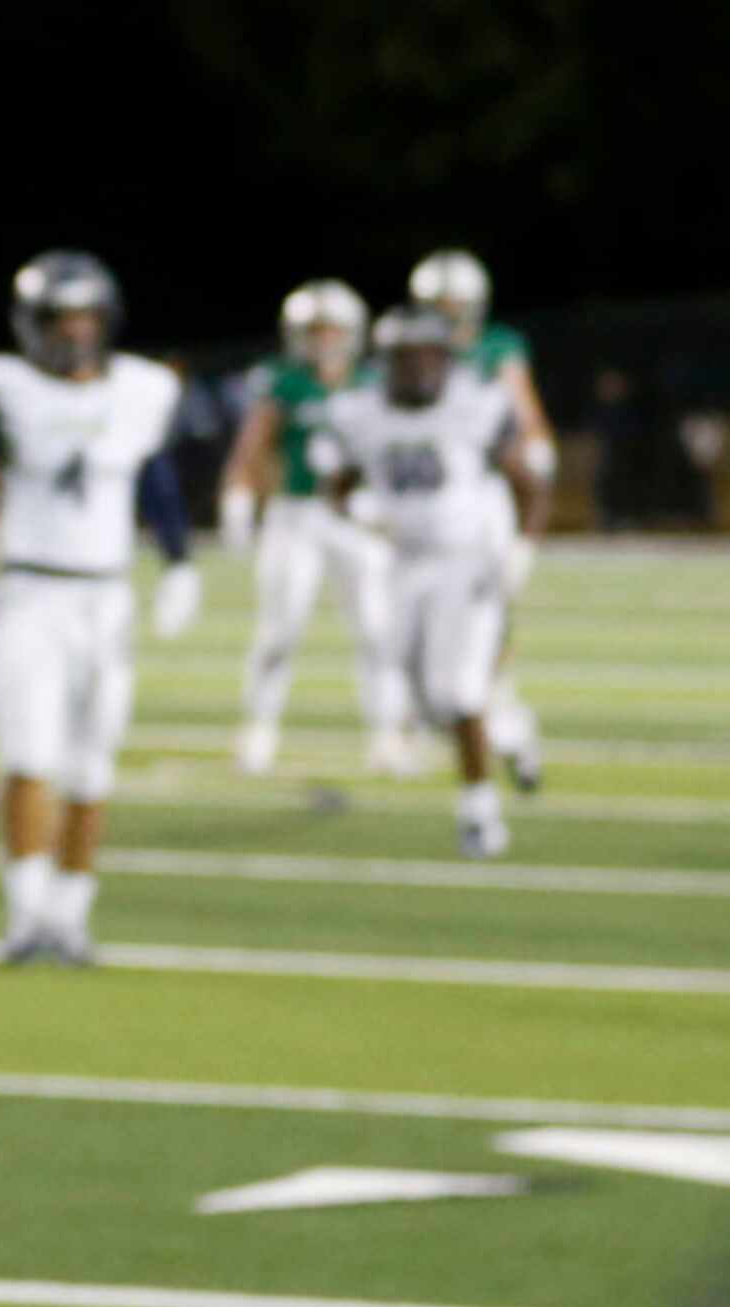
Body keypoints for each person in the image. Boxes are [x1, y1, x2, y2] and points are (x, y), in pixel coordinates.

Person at [0, 250, 198, 965]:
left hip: (105, 595)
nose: (73, 334)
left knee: (92, 762)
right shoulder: (0, 387)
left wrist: (179, 559)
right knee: (26, 753)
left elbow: (154, 478)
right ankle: (24, 914)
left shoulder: (138, 389)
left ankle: (69, 916)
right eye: (59, 320)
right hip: (29, 589)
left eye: (85, 319)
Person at [309, 307, 546, 859]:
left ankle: (479, 814)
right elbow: (336, 485)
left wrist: (521, 550)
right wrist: (363, 513)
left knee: (457, 691)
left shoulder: (475, 404)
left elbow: (531, 485)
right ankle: (511, 731)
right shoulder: (359, 412)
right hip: (403, 564)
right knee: (421, 698)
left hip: (466, 562)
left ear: (445, 358)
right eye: (402, 356)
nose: (415, 367)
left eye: (426, 354)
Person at [219, 280, 405, 775]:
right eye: (313, 330)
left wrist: (388, 506)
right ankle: (258, 730)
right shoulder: (282, 379)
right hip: (296, 515)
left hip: (357, 520)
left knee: (378, 630)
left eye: (331, 329)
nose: (323, 339)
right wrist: (239, 496)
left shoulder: (375, 382)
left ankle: (387, 734)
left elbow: (394, 449)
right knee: (280, 629)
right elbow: (253, 446)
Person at [409, 249, 553, 790]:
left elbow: (525, 413)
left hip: (481, 499)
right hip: (422, 506)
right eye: (437, 304)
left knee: (481, 624)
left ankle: (506, 723)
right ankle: (506, 729)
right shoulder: (408, 352)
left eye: (455, 303)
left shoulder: (496, 349)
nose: (447, 314)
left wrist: (536, 455)